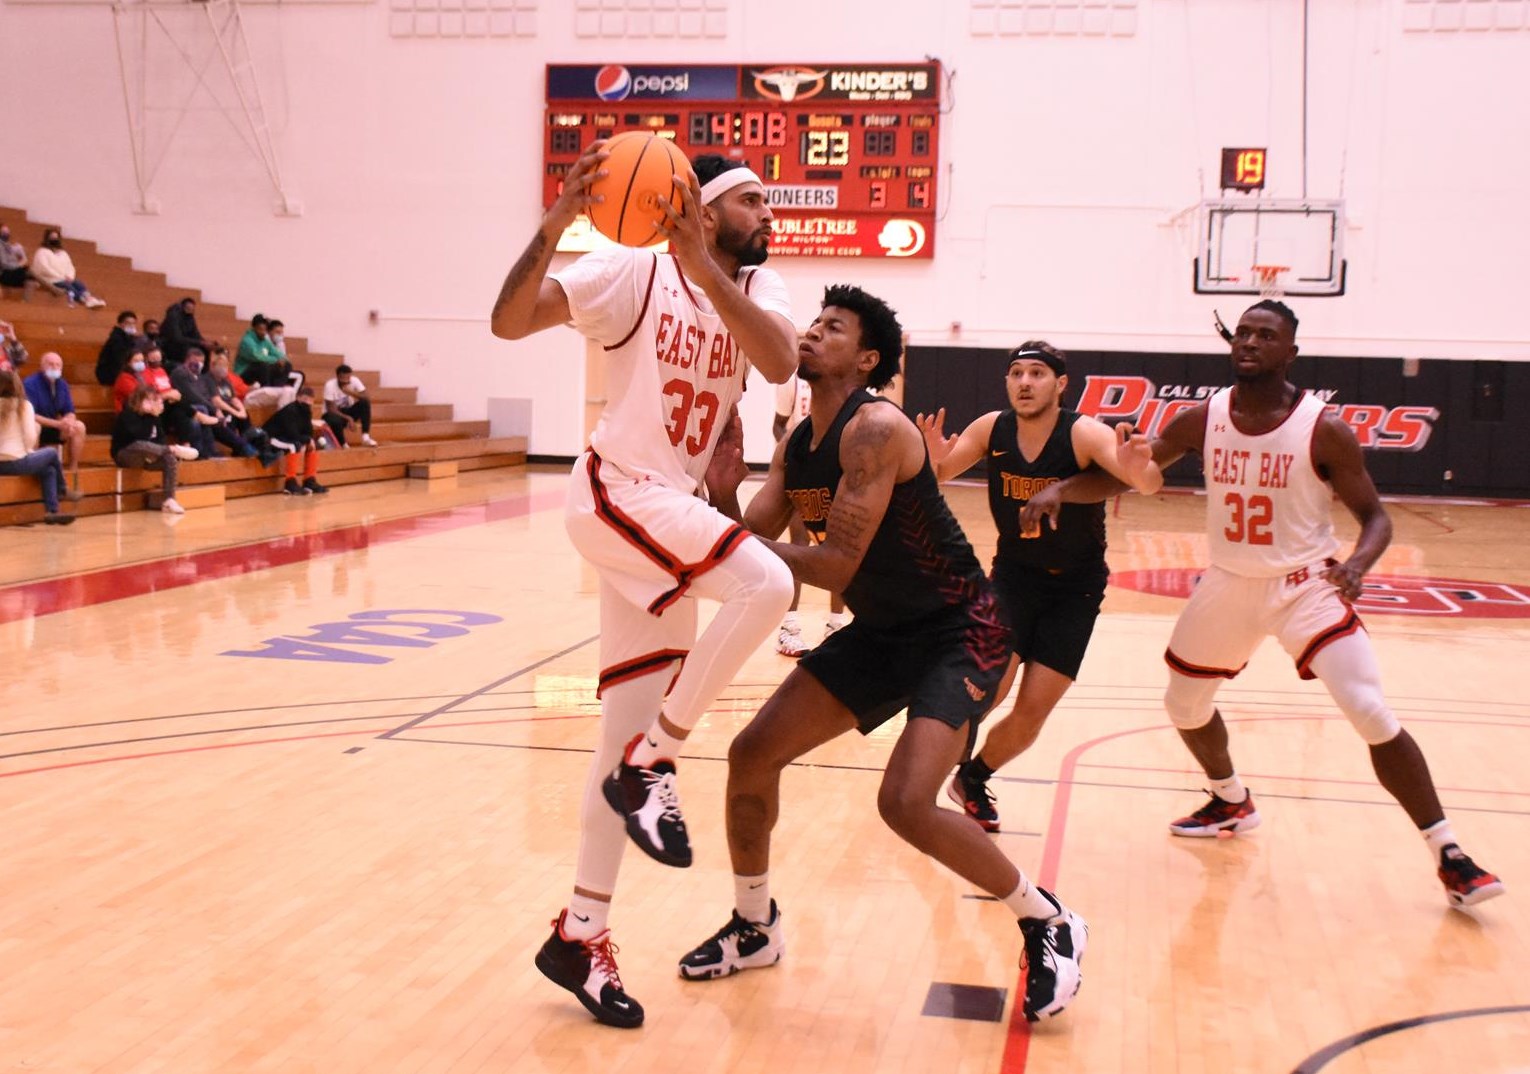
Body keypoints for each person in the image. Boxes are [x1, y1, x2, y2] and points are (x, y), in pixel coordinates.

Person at [687, 285, 1089, 1024]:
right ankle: (754, 926)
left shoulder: (875, 428)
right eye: (811, 322)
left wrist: (722, 532)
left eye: (831, 327)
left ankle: (1046, 919)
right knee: (751, 756)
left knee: (904, 801)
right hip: (883, 632)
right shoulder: (796, 443)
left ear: (867, 358)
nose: (809, 332)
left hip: (964, 631)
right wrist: (718, 500)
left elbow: (832, 565)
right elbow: (748, 549)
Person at [1023, 300, 1505, 909]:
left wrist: (1356, 565)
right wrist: (1064, 488)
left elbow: (1377, 518)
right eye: (1244, 332)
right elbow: (1125, 474)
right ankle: (1230, 799)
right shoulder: (1204, 417)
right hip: (1228, 581)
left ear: (1290, 352)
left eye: (1265, 335)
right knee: (1183, 702)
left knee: (1368, 709)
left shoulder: (1322, 427)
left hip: (1304, 586)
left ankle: (1451, 855)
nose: (1250, 342)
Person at [489, 144, 798, 1029]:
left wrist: (705, 260)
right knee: (766, 586)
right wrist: (556, 223)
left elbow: (777, 363)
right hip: (619, 492)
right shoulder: (631, 270)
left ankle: (579, 933)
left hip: (666, 512)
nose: (768, 217)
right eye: (753, 203)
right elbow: (512, 321)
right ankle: (656, 758)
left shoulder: (759, 293)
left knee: (613, 734)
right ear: (703, 205)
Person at [916, 342, 1163, 831]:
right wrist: (933, 459)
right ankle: (921, 783)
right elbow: (942, 471)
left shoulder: (1084, 434)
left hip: (1077, 590)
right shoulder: (992, 428)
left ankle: (973, 777)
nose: (1025, 382)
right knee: (988, 690)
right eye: (1015, 373)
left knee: (1032, 712)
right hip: (1013, 580)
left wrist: (1139, 469)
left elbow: (1150, 483)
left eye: (1037, 373)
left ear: (1061, 383)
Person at [771, 370, 847, 655]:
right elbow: (778, 425)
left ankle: (836, 627)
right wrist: (796, 454)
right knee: (799, 547)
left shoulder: (853, 384)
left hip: (838, 474)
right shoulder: (790, 380)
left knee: (838, 549)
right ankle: (789, 628)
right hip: (801, 473)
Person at [0, 369, 78, 525]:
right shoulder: (24, 406)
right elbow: (30, 439)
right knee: (51, 453)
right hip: (15, 462)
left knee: (48, 470)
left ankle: (52, 511)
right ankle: (62, 489)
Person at [112, 386, 194, 514]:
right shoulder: (127, 414)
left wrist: (159, 451)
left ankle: (169, 500)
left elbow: (160, 440)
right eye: (150, 400)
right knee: (140, 444)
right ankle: (173, 449)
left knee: (169, 459)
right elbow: (138, 437)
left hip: (149, 456)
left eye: (155, 400)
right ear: (140, 401)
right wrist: (150, 419)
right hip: (126, 455)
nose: (154, 404)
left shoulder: (154, 418)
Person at [172, 346, 255, 459]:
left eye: (201, 361)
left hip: (207, 408)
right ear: (187, 360)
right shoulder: (181, 373)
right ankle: (241, 446)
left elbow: (214, 397)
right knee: (211, 415)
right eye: (196, 361)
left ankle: (247, 444)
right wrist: (215, 409)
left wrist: (241, 411)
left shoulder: (198, 377)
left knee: (239, 415)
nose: (199, 364)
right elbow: (194, 396)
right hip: (188, 409)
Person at [23, 352, 89, 491]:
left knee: (79, 427)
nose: (54, 367)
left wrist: (69, 421)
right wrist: (58, 424)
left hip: (55, 426)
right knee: (35, 426)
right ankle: (32, 470)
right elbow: (30, 414)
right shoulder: (30, 383)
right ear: (42, 366)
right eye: (51, 364)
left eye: (58, 365)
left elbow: (69, 409)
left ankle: (73, 469)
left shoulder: (62, 384)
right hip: (35, 426)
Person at [262, 385, 328, 495]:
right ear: (298, 397)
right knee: (294, 446)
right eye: (305, 399)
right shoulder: (290, 410)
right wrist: (307, 439)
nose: (308, 402)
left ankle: (309, 480)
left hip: (287, 438)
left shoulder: (306, 412)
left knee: (312, 445)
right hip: (272, 438)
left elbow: (308, 432)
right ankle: (290, 483)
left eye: (310, 400)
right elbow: (292, 433)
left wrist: (309, 440)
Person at [30, 229, 105, 308]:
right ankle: (83, 300)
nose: (54, 240)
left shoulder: (63, 254)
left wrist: (70, 276)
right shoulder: (42, 252)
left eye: (56, 238)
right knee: (68, 286)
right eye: (52, 237)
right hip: (50, 280)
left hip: (64, 279)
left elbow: (70, 267)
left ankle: (89, 298)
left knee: (78, 283)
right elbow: (44, 268)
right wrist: (60, 277)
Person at [321, 364, 378, 447]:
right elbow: (331, 409)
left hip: (347, 411)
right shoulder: (330, 385)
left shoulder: (354, 380)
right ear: (337, 377)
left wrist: (350, 392)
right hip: (332, 415)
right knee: (334, 418)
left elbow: (366, 397)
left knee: (365, 403)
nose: (346, 381)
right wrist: (349, 418)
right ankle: (343, 444)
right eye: (343, 378)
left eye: (348, 378)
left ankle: (365, 437)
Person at [161, 297, 211, 369]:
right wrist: (199, 342)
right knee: (187, 349)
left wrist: (204, 342)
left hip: (184, 342)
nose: (190, 310)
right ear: (183, 307)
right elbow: (177, 338)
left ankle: (202, 372)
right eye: (188, 308)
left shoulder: (190, 317)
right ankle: (187, 369)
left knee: (205, 349)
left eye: (192, 309)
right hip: (170, 344)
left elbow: (195, 333)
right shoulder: (173, 317)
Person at [96, 311, 141, 386]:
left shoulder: (130, 339)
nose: (131, 326)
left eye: (133, 323)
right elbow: (120, 360)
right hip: (110, 374)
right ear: (120, 324)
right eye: (128, 323)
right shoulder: (116, 339)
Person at [0, 225, 36, 293]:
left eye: (8, 232)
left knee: (29, 273)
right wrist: (19, 265)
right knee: (27, 274)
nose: (6, 234)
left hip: (11, 271)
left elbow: (14, 260)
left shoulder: (8, 246)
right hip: (4, 274)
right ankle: (25, 301)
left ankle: (26, 300)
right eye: (4, 232)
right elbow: (4, 264)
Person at [112, 348, 150, 413]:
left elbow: (153, 388)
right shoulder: (124, 378)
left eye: (142, 360)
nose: (140, 363)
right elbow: (137, 395)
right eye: (136, 361)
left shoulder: (144, 374)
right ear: (128, 363)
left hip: (144, 407)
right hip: (129, 411)